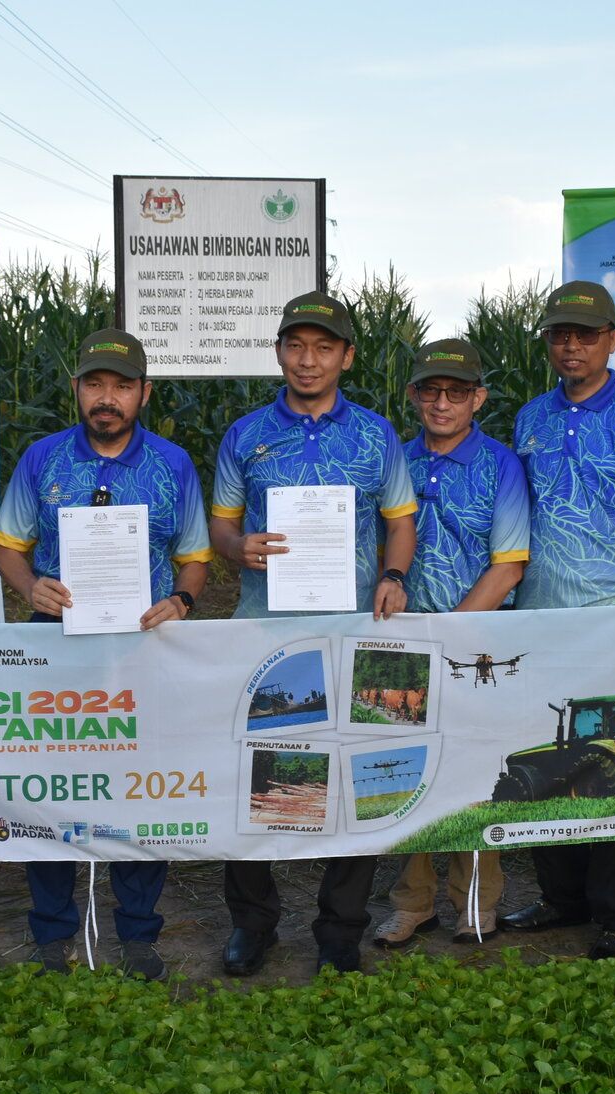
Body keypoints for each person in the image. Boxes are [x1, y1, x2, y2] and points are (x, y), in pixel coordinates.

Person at [208, 290, 418, 975]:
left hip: (355, 629)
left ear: (347, 357)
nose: (308, 359)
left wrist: (392, 574)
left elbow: (401, 520)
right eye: (296, 346)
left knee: (356, 780)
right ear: (278, 353)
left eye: (324, 347)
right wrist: (237, 549)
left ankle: (338, 934)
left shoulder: (376, 434)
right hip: (264, 631)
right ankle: (255, 924)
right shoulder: (244, 434)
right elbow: (220, 524)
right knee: (256, 780)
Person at [0, 327, 211, 980]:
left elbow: (194, 558)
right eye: (95, 384)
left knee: (140, 789)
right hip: (55, 644)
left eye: (120, 385)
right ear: (77, 389)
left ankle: (138, 931)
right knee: (51, 786)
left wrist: (183, 601)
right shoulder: (41, 459)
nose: (106, 398)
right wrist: (31, 585)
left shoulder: (171, 465)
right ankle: (51, 932)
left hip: (145, 648)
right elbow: (9, 545)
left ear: (144, 392)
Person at [494, 280, 615, 961]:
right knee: (549, 758)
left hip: (613, 617)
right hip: (541, 614)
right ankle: (562, 897)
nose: (570, 345)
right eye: (559, 334)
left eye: (585, 334)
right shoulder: (532, 417)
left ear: (613, 339)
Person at [372, 339, 529, 948]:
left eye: (456, 392)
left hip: (477, 638)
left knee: (474, 769)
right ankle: (412, 902)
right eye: (430, 390)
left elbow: (509, 564)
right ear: (412, 395)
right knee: (404, 771)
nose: (442, 402)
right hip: (399, 636)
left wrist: (450, 634)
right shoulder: (394, 459)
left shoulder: (501, 466)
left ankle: (475, 900)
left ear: (478, 399)